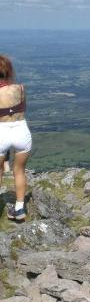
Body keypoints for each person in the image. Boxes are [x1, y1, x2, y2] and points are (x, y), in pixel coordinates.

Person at [0, 55, 32, 223]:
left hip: (1, 132)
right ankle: (19, 209)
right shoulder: (20, 88)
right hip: (21, 131)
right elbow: (23, 108)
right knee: (19, 171)